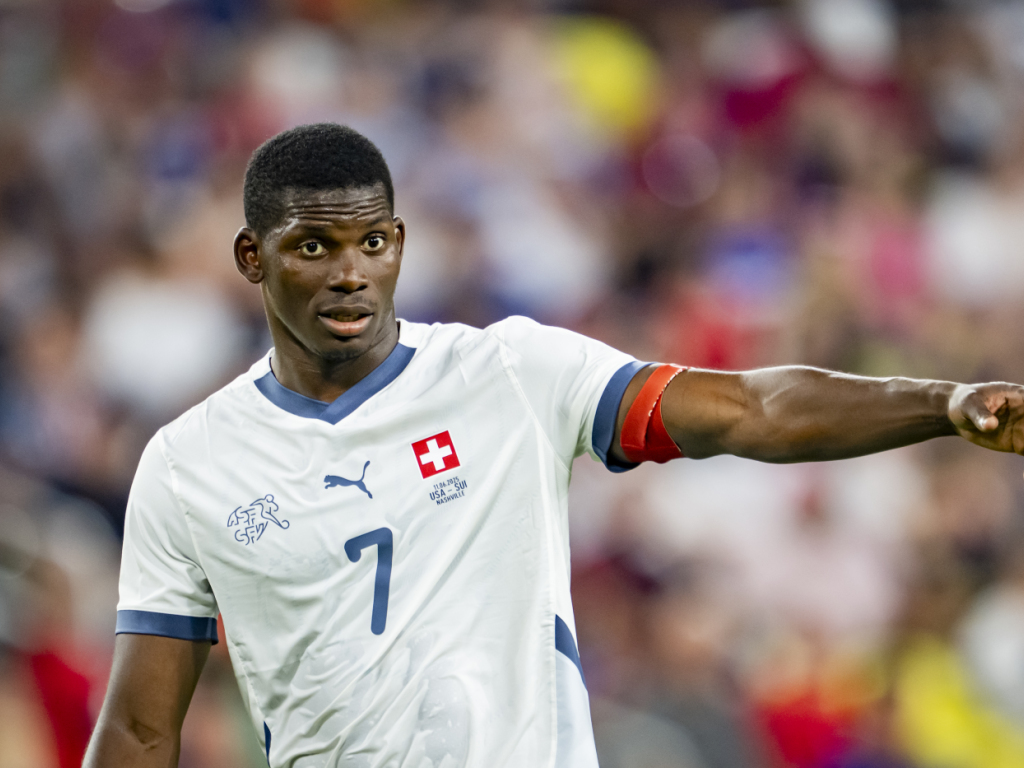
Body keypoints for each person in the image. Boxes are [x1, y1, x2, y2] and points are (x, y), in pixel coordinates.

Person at [82, 123, 1024, 768]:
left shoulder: (509, 374)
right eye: (313, 247)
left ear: (400, 241)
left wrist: (943, 402)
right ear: (253, 258)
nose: (351, 273)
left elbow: (748, 409)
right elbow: (138, 729)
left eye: (372, 242)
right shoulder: (189, 465)